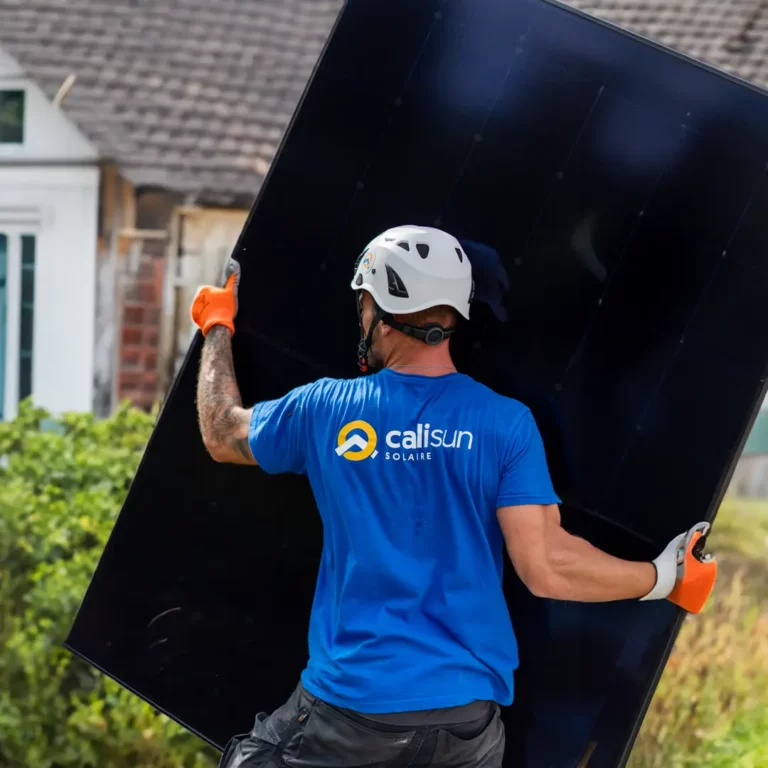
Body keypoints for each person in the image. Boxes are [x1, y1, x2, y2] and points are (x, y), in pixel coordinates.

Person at [190, 225, 717, 768]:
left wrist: (217, 326)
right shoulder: (507, 424)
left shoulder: (327, 409)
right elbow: (546, 566)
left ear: (377, 307)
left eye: (361, 302)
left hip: (349, 715)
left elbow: (222, 431)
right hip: (466, 731)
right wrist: (664, 577)